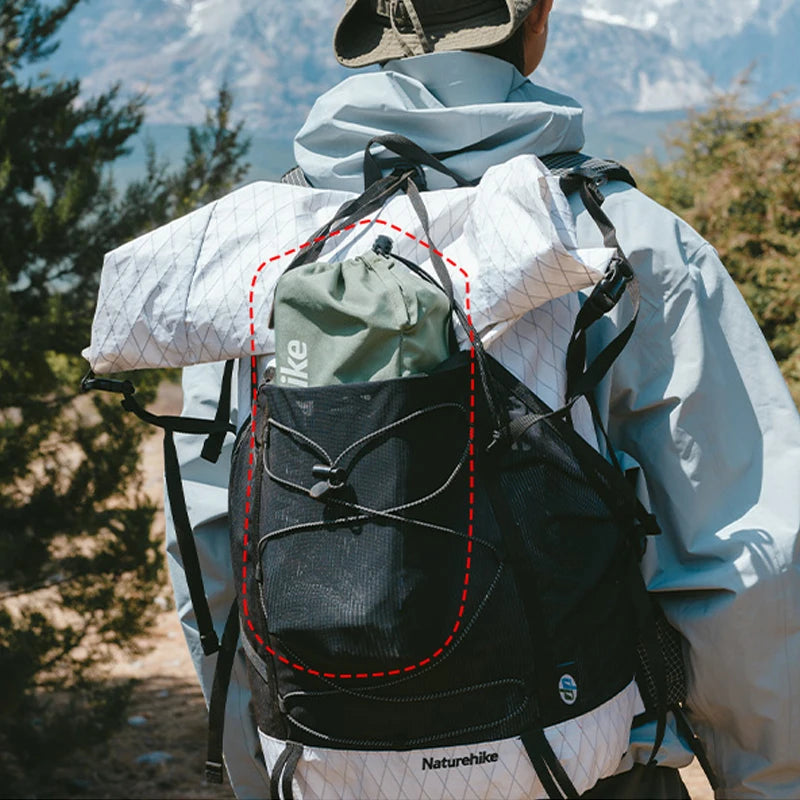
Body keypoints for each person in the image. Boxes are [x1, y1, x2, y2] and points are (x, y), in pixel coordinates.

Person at [166, 1, 800, 797]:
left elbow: (211, 555)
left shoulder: (256, 258)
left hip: (327, 764)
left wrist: (261, 770)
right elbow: (744, 562)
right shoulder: (621, 236)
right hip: (590, 772)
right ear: (536, 19)